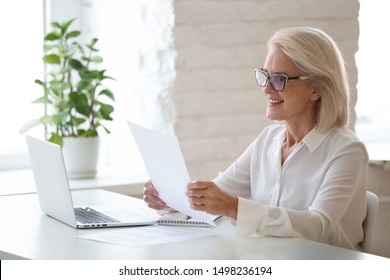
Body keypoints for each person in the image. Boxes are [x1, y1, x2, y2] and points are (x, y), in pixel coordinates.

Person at [143, 27, 368, 251]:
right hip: (271, 261)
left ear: (316, 89)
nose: (267, 89)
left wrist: (233, 207)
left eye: (280, 79)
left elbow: (317, 227)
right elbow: (214, 197)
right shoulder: (268, 140)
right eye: (265, 76)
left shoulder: (346, 151)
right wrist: (169, 199)